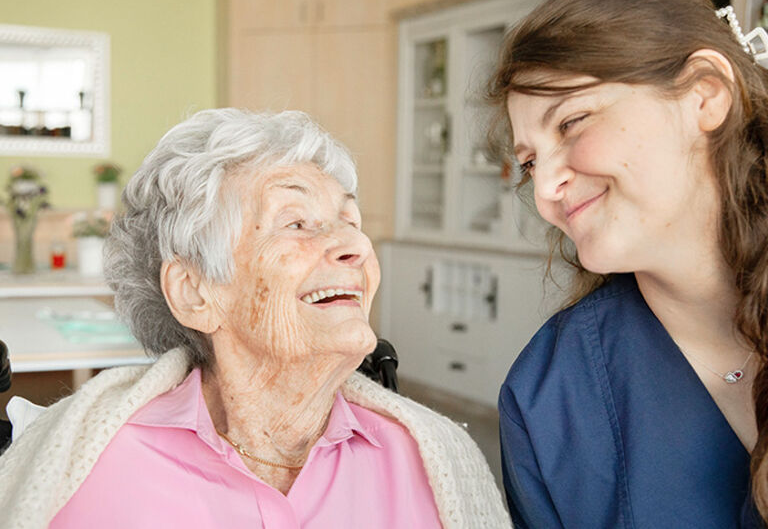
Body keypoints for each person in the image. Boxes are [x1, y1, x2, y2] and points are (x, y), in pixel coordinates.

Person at [0, 109, 510, 529]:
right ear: (195, 292)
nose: (355, 244)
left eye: (350, 221)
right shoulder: (89, 470)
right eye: (297, 223)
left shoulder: (432, 460)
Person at [487, 0, 768, 527]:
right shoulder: (550, 395)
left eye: (571, 123)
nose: (544, 189)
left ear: (705, 95)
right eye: (529, 163)